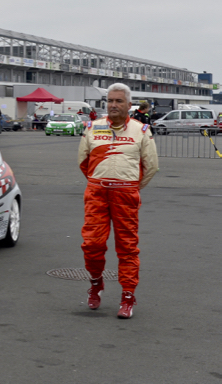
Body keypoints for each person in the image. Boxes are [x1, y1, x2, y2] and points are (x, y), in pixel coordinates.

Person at [78, 83, 158, 319]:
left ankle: (128, 295)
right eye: (110, 101)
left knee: (127, 247)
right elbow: (84, 162)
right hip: (96, 193)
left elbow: (151, 166)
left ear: (129, 105)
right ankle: (95, 284)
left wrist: (129, 185)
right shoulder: (92, 128)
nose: (113, 105)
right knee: (91, 245)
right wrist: (100, 181)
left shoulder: (141, 130)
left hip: (126, 195)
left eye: (118, 101)